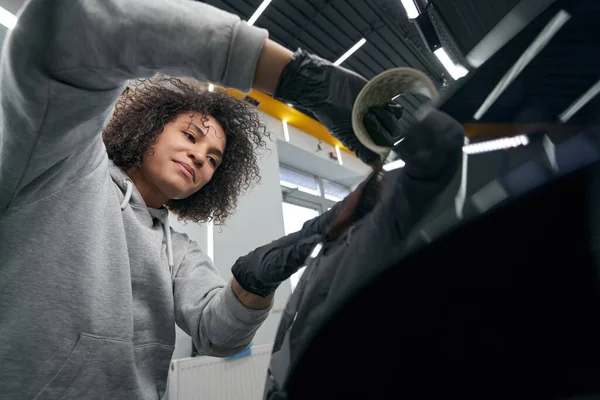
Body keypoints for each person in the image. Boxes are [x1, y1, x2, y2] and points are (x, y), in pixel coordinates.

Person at [0, 0, 411, 399]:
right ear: (149, 129)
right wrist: (300, 80)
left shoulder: (176, 250)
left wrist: (257, 278)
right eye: (191, 136)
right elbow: (70, 25)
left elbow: (218, 335)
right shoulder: (60, 163)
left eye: (214, 159)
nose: (200, 156)